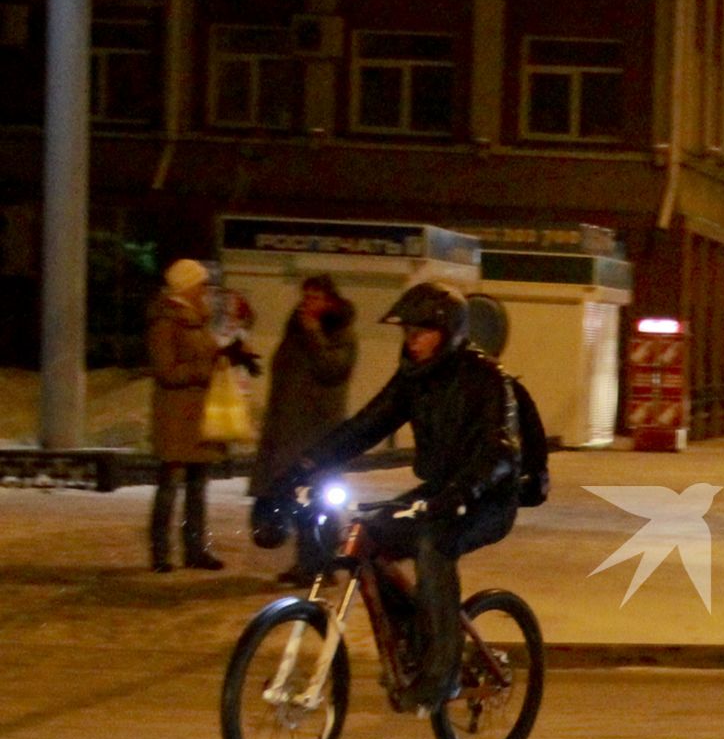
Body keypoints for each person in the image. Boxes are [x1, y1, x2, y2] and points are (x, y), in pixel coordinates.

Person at [257, 282, 521, 713]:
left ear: (450, 332)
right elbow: (364, 426)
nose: (411, 341)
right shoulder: (413, 378)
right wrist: (303, 467)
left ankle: (441, 673)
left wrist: (462, 494)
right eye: (408, 333)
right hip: (438, 492)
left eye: (421, 332)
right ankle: (417, 637)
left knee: (433, 544)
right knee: (366, 537)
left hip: (487, 496)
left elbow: (501, 451)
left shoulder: (485, 378)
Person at [146, 258, 260, 573]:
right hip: (174, 416)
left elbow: (206, 354)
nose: (205, 289)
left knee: (198, 486)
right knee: (169, 486)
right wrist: (206, 367)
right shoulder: (165, 321)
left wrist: (230, 354)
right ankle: (160, 553)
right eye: (200, 283)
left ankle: (195, 549)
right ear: (186, 286)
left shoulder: (198, 320)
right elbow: (166, 371)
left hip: (199, 416)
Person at [251, 275, 359, 584]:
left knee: (321, 498)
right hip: (289, 429)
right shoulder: (295, 329)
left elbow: (333, 369)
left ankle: (323, 565)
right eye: (305, 297)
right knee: (298, 497)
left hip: (319, 430)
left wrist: (314, 334)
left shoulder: (341, 331)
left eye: (315, 297)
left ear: (330, 301)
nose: (307, 304)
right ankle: (306, 562)